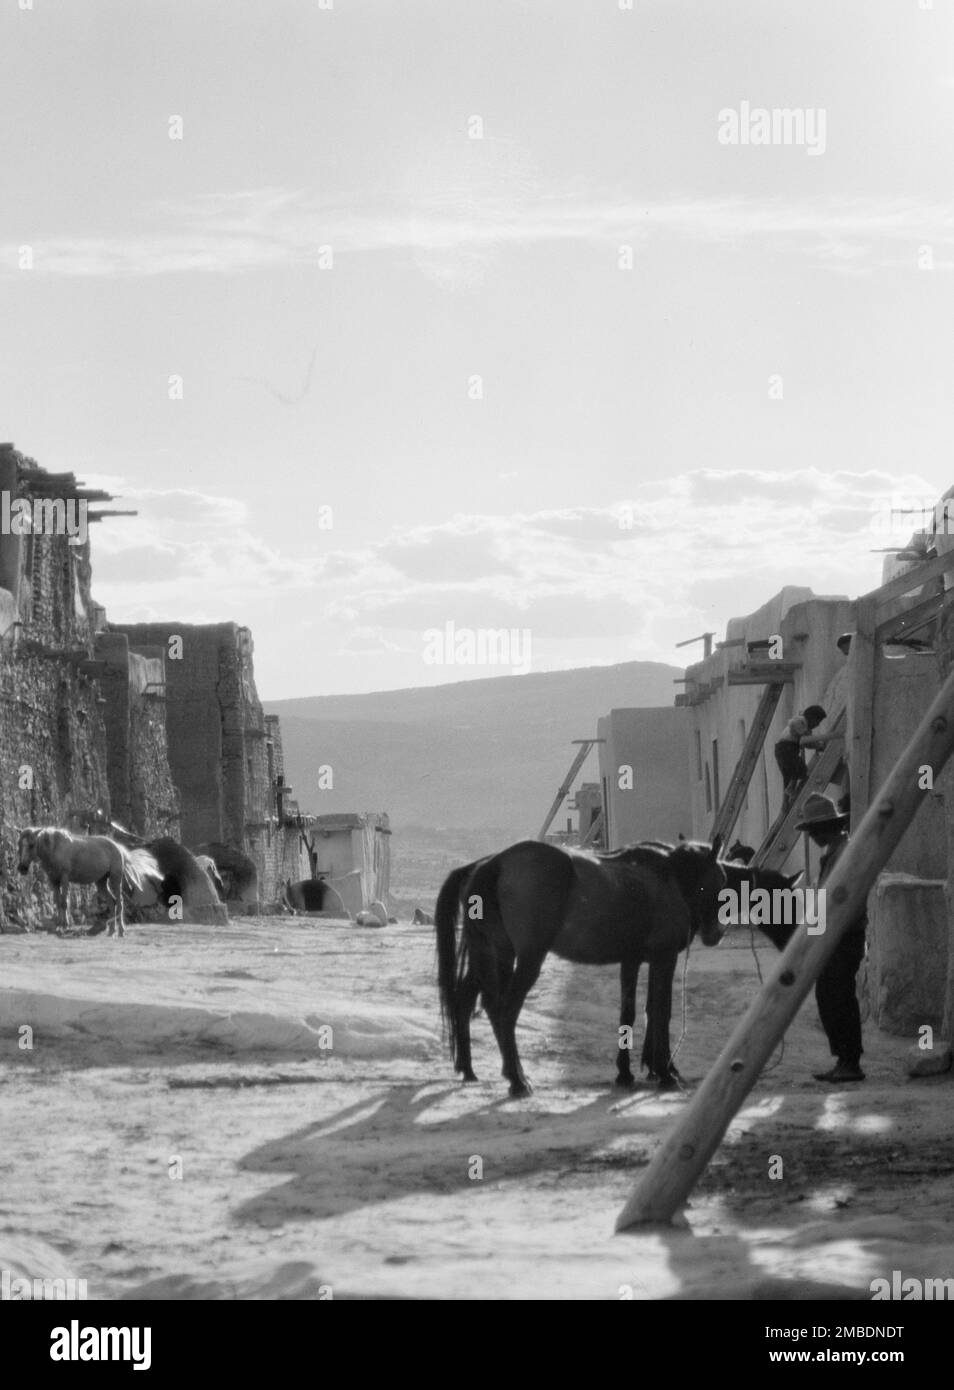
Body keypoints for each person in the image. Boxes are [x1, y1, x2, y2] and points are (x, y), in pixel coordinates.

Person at [795, 792, 866, 1083]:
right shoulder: (833, 853)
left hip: (844, 936)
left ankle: (851, 1062)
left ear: (826, 827)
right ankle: (843, 1059)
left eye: (814, 831)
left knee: (839, 997)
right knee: (828, 996)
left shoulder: (845, 853)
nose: (812, 837)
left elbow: (840, 901)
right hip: (832, 936)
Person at [774, 704, 829, 809]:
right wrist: (818, 743)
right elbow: (794, 726)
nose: (817, 725)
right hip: (786, 748)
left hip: (784, 750)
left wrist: (818, 746)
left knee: (788, 775)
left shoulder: (804, 727)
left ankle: (785, 802)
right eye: (818, 722)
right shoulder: (801, 721)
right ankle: (790, 790)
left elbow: (807, 743)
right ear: (811, 718)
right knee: (801, 769)